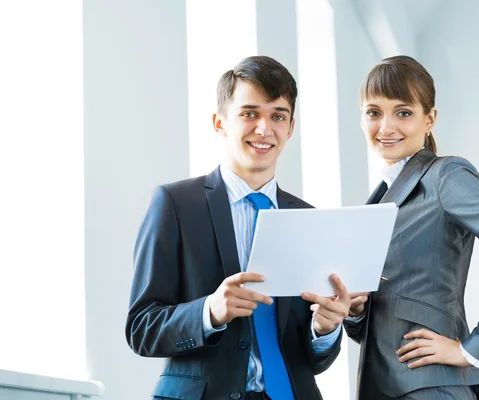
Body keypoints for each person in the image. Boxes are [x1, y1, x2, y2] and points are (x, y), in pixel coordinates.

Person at [126, 56, 350, 400]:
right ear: (220, 123)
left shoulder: (309, 218)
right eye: (249, 114)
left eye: (277, 116)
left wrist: (324, 329)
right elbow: (141, 327)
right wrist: (210, 311)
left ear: (290, 128)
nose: (264, 129)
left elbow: (310, 359)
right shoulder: (175, 203)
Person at [344, 55, 479, 400]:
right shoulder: (379, 199)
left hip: (430, 387)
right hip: (385, 385)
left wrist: (475, 349)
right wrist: (355, 312)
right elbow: (395, 308)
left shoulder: (445, 177)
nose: (386, 127)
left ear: (429, 119)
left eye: (403, 112)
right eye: (373, 112)